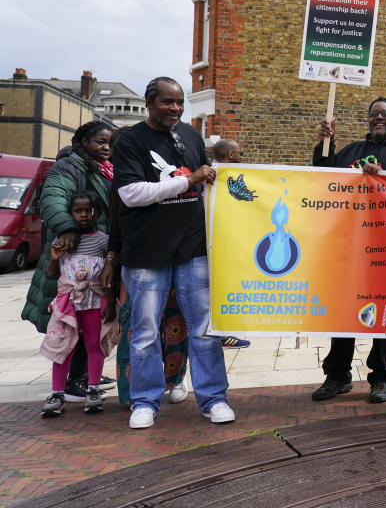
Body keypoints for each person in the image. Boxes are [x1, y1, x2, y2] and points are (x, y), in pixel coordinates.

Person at [111, 76, 233, 429]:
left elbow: (206, 186)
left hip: (192, 248)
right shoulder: (130, 141)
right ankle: (145, 401)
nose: (176, 109)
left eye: (180, 102)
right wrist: (188, 181)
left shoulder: (191, 137)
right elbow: (131, 194)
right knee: (146, 331)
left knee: (205, 329)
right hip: (147, 252)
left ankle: (214, 399)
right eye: (167, 102)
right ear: (150, 103)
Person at [311, 97, 386, 404]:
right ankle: (337, 375)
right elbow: (323, 177)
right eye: (374, 114)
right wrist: (326, 143)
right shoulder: (351, 152)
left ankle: (380, 377)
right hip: (350, 248)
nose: (379, 117)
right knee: (343, 314)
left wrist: (385, 179)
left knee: (384, 318)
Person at [21, 120, 116, 403]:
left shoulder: (103, 168)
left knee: (92, 322)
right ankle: (73, 380)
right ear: (83, 142)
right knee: (70, 324)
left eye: (110, 142)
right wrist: (68, 227)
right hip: (73, 256)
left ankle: (88, 375)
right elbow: (52, 198)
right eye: (100, 142)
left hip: (95, 255)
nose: (106, 147)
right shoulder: (69, 167)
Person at [39, 191, 119, 417]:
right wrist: (55, 258)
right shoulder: (62, 240)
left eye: (89, 210)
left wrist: (111, 304)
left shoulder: (104, 240)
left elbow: (110, 277)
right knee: (62, 348)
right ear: (70, 213)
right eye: (78, 211)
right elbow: (52, 272)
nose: (84, 215)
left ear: (97, 213)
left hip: (95, 303)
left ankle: (93, 389)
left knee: (94, 346)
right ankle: (57, 392)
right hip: (68, 306)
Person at [210, 138, 252, 350]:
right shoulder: (217, 176)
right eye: (240, 153)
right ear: (229, 155)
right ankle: (221, 334)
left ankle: (223, 332)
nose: (241, 156)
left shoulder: (210, 174)